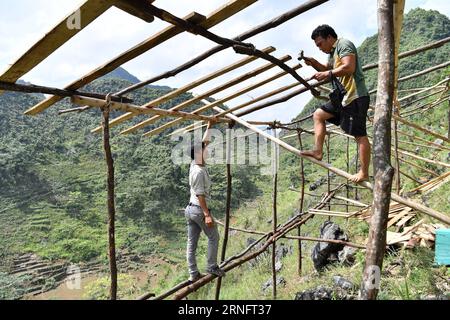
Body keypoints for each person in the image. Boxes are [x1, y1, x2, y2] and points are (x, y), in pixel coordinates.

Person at [300, 24, 371, 183]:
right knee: (318, 115)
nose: (319, 47)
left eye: (320, 44)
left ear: (329, 38)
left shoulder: (343, 45)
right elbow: (330, 70)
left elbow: (349, 67)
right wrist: (314, 63)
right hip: (343, 98)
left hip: (355, 97)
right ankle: (318, 151)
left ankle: (364, 172)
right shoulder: (333, 52)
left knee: (359, 135)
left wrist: (327, 72)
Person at [185, 120, 225, 282]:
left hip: (190, 210)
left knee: (192, 242)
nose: (207, 151)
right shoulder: (199, 172)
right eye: (205, 150)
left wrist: (209, 126)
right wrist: (207, 214)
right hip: (198, 209)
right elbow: (200, 195)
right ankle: (211, 266)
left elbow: (204, 142)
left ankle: (193, 273)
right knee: (214, 237)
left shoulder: (195, 163)